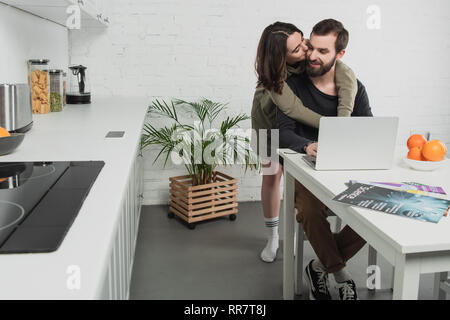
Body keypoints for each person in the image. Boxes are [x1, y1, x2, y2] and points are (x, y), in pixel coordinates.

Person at [278, 19, 373, 300]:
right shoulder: (292, 85)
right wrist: (307, 146)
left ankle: (319, 267)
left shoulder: (355, 88)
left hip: (346, 170)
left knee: (377, 210)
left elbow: (366, 128)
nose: (313, 56)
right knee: (309, 210)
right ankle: (342, 275)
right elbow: (282, 134)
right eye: (311, 47)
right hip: (305, 172)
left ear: (339, 55)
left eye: (323, 51)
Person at [251, 21, 358, 263]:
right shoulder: (274, 78)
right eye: (298, 49)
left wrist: (343, 123)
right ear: (282, 57)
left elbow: (345, 73)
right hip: (266, 127)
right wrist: (336, 128)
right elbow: (296, 110)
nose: (306, 49)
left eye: (303, 41)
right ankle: (273, 236)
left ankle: (302, 231)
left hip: (289, 123)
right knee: (272, 174)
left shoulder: (310, 57)